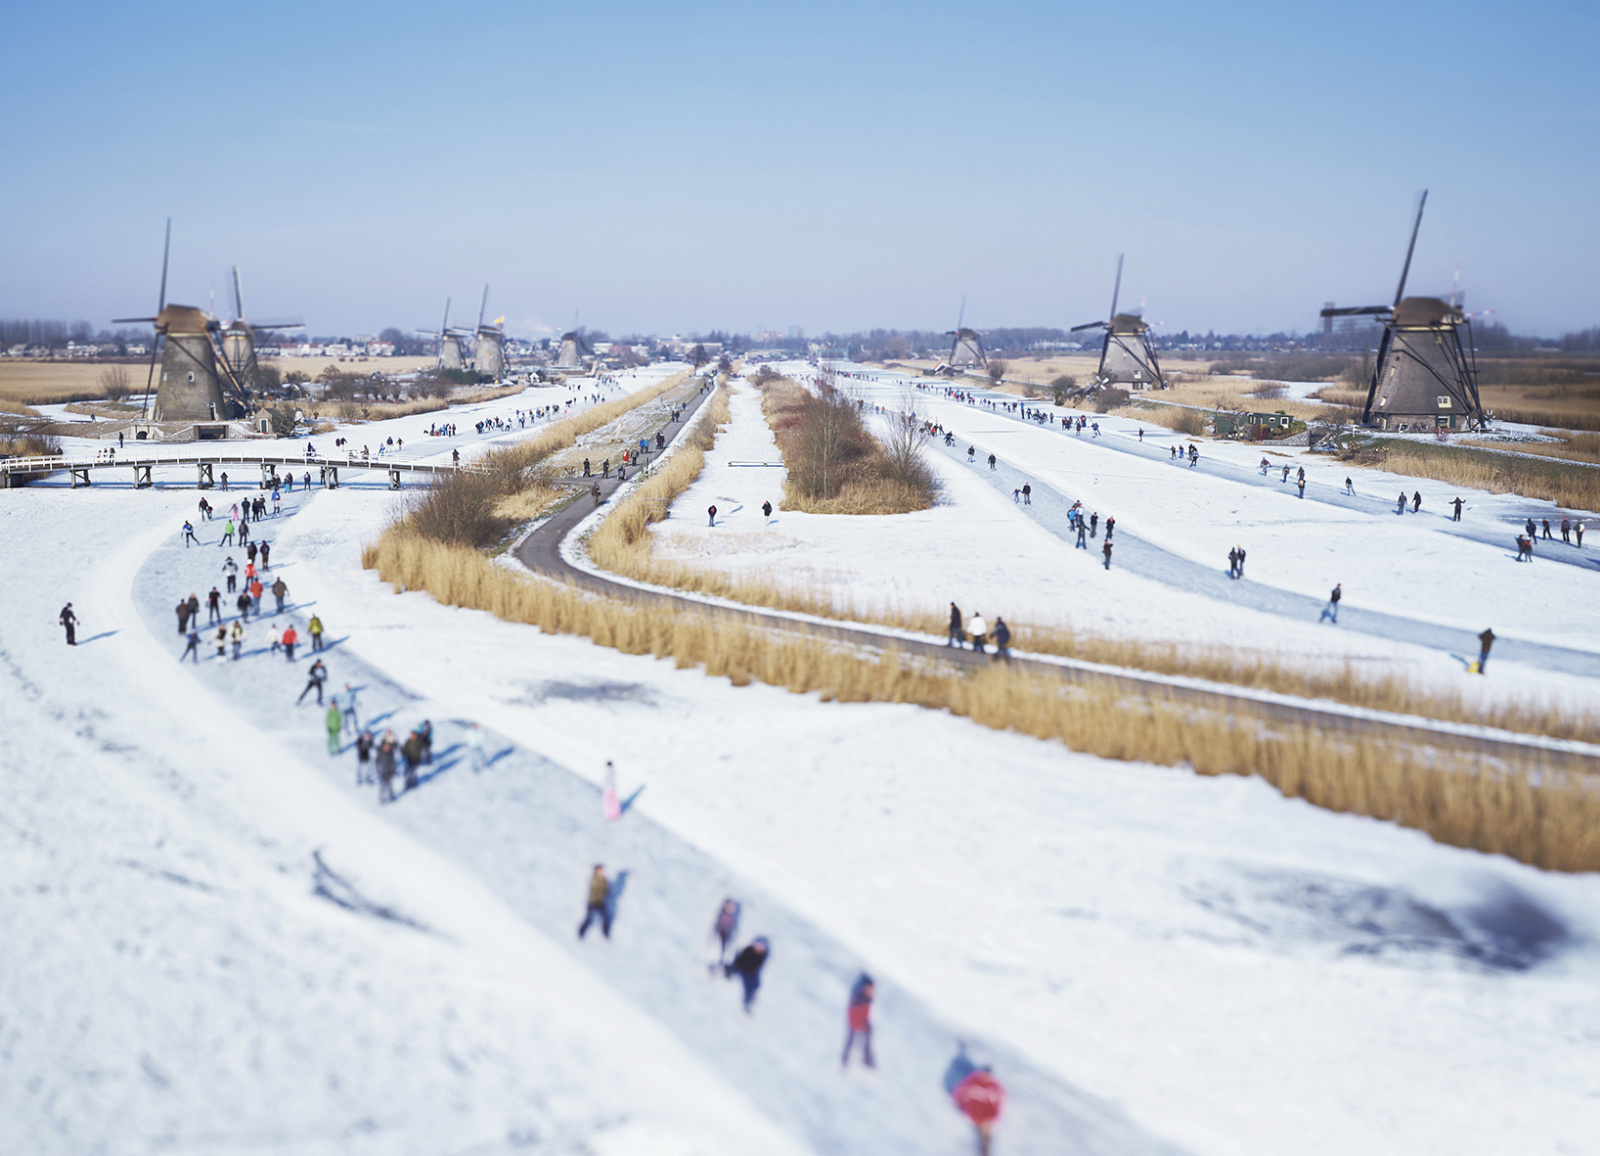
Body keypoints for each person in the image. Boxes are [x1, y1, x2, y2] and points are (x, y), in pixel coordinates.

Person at [725, 937, 770, 1012]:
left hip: (748, 972)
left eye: (761, 947)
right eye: (757, 946)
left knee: (753, 985)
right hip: (740, 967)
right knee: (730, 969)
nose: (758, 949)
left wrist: (752, 972)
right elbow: (740, 958)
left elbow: (757, 966)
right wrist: (736, 966)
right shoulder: (748, 949)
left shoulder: (761, 956)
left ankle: (748, 1002)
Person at [842, 973, 875, 1069]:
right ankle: (846, 1060)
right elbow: (855, 1012)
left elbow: (865, 1012)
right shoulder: (860, 998)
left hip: (860, 1022)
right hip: (855, 1023)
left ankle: (866, 1061)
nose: (872, 991)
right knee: (851, 1040)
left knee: (862, 1040)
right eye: (870, 988)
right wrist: (861, 1024)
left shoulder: (865, 997)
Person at [578, 865, 612, 939]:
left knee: (606, 917)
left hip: (600, 902)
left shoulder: (604, 880)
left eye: (602, 870)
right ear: (596, 872)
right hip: (593, 902)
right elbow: (596, 889)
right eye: (600, 870)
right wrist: (603, 883)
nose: (602, 872)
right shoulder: (594, 880)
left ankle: (605, 933)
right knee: (588, 918)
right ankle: (581, 932)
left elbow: (606, 890)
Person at [710, 899, 740, 969]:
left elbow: (732, 926)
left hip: (727, 934)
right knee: (718, 946)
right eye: (728, 907)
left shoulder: (732, 917)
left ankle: (723, 963)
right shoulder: (722, 914)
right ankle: (714, 961)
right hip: (720, 932)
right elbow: (718, 923)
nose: (730, 909)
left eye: (732, 908)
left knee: (726, 948)